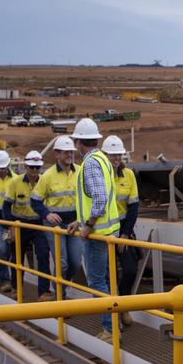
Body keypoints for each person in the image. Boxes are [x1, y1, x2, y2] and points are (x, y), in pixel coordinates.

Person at [68, 118, 120, 343]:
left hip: (97, 234)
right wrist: (79, 222)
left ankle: (110, 330)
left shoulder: (90, 163)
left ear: (79, 142)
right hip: (107, 232)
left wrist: (87, 226)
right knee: (108, 281)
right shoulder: (103, 159)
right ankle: (115, 322)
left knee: (97, 282)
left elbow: (99, 199)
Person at [31, 135, 82, 299]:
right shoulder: (47, 176)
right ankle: (61, 296)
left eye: (71, 152)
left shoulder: (80, 171)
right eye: (65, 152)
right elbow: (35, 201)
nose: (69, 155)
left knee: (75, 262)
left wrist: (80, 219)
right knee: (63, 263)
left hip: (74, 224)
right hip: (54, 226)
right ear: (56, 154)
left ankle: (60, 286)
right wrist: (47, 214)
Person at [2, 150, 53, 301]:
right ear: (25, 166)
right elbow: (6, 206)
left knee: (43, 254)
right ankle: (16, 288)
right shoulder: (15, 182)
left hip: (39, 225)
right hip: (20, 224)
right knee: (17, 257)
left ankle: (43, 292)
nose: (35, 171)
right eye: (32, 167)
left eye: (38, 168)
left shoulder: (45, 181)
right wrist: (12, 225)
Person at [102, 135, 140, 326]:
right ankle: (113, 314)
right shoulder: (100, 177)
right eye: (112, 155)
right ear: (105, 156)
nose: (116, 159)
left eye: (119, 155)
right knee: (108, 275)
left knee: (130, 270)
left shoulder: (129, 175)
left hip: (123, 230)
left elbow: (133, 207)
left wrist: (125, 233)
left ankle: (123, 306)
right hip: (105, 231)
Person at [0, 150, 14, 293]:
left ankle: (9, 280)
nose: (1, 170)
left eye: (3, 167)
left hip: (11, 218)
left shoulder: (16, 179)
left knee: (8, 250)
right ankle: (4, 280)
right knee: (1, 248)